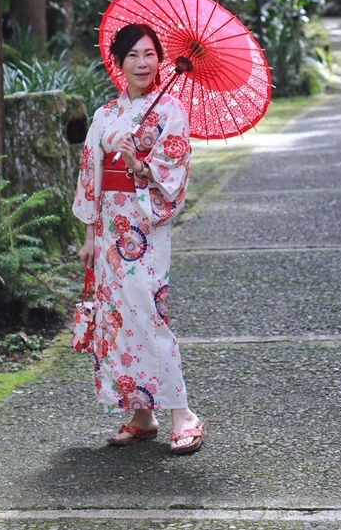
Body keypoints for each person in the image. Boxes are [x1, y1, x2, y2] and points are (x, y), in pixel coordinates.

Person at [73, 22, 204, 452]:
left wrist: (141, 165)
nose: (142, 63)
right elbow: (91, 177)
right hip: (110, 228)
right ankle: (142, 414)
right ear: (119, 61)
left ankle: (182, 413)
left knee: (149, 314)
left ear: (161, 61)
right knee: (118, 320)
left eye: (150, 54)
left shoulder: (171, 113)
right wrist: (91, 235)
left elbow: (174, 173)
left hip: (145, 230)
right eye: (133, 55)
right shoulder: (105, 115)